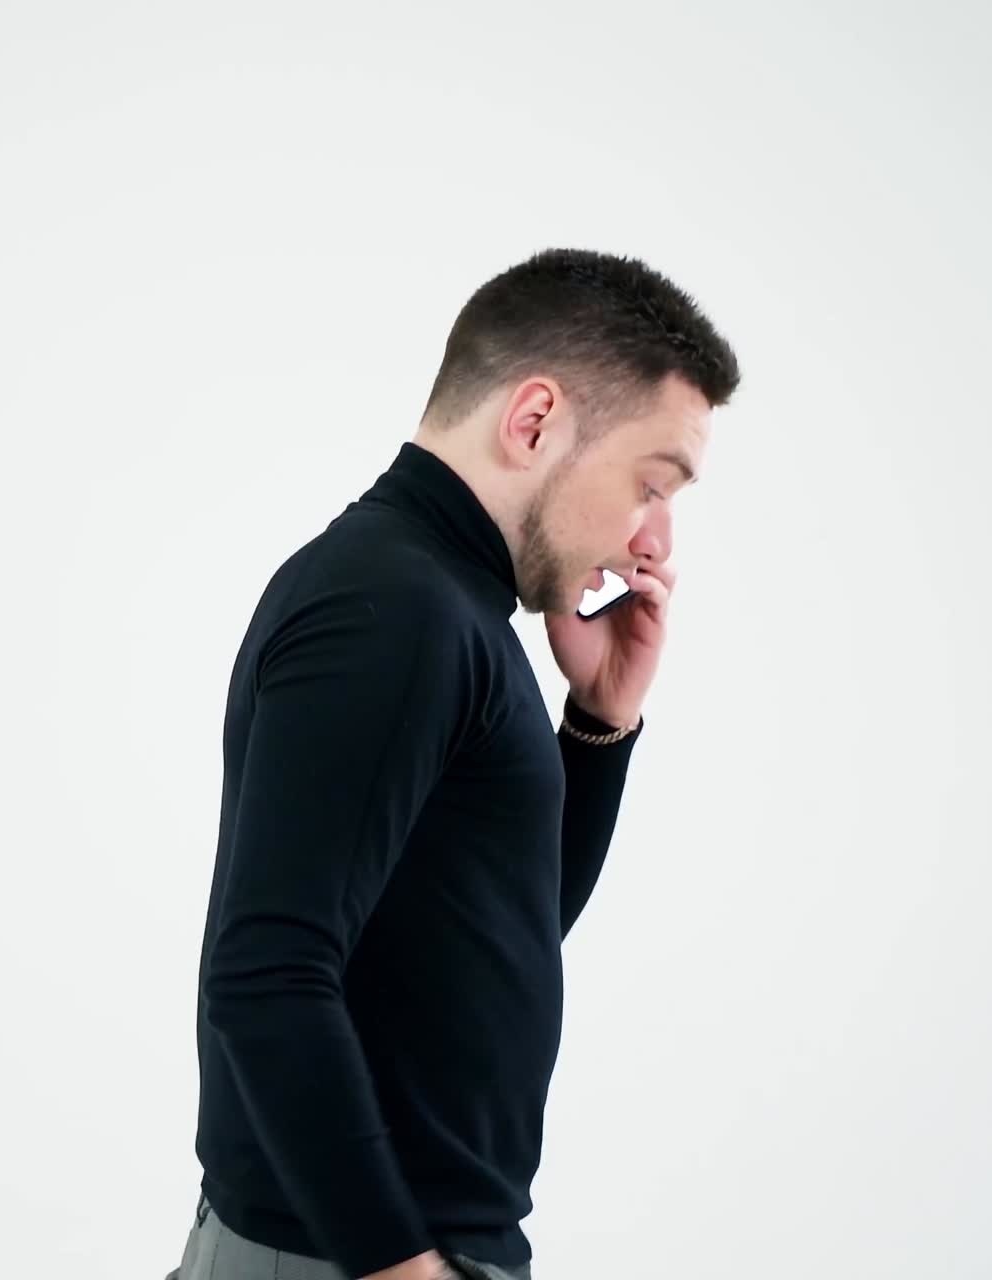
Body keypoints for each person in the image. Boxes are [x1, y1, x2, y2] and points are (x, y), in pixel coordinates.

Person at [165, 248, 741, 1280]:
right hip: (342, 1257)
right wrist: (399, 1264)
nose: (653, 536)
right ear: (532, 420)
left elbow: (492, 931)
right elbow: (264, 976)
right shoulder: (392, 610)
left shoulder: (444, 605)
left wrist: (599, 721)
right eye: (650, 483)